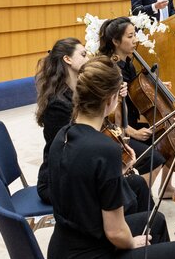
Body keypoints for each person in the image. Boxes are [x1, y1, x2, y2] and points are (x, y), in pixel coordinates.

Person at [46, 56, 175, 259]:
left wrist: (118, 171)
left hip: (62, 252)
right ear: (111, 99)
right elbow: (115, 232)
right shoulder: (104, 149)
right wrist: (132, 243)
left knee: (156, 221)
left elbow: (83, 180)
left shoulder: (63, 134)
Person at [35, 38, 153, 214]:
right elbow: (67, 151)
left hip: (82, 167)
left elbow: (102, 126)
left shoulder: (80, 88)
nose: (88, 58)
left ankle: (144, 229)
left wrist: (116, 99)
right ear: (67, 59)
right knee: (126, 197)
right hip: (61, 180)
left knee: (137, 184)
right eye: (83, 54)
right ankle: (127, 232)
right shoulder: (57, 104)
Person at [99, 17, 173, 195]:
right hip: (118, 131)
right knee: (154, 159)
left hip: (129, 122)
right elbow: (108, 116)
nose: (135, 40)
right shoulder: (111, 69)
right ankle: (138, 200)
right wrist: (133, 132)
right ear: (116, 41)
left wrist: (154, 86)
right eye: (130, 36)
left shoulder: (128, 64)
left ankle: (167, 188)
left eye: (135, 35)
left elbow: (135, 94)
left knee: (168, 141)